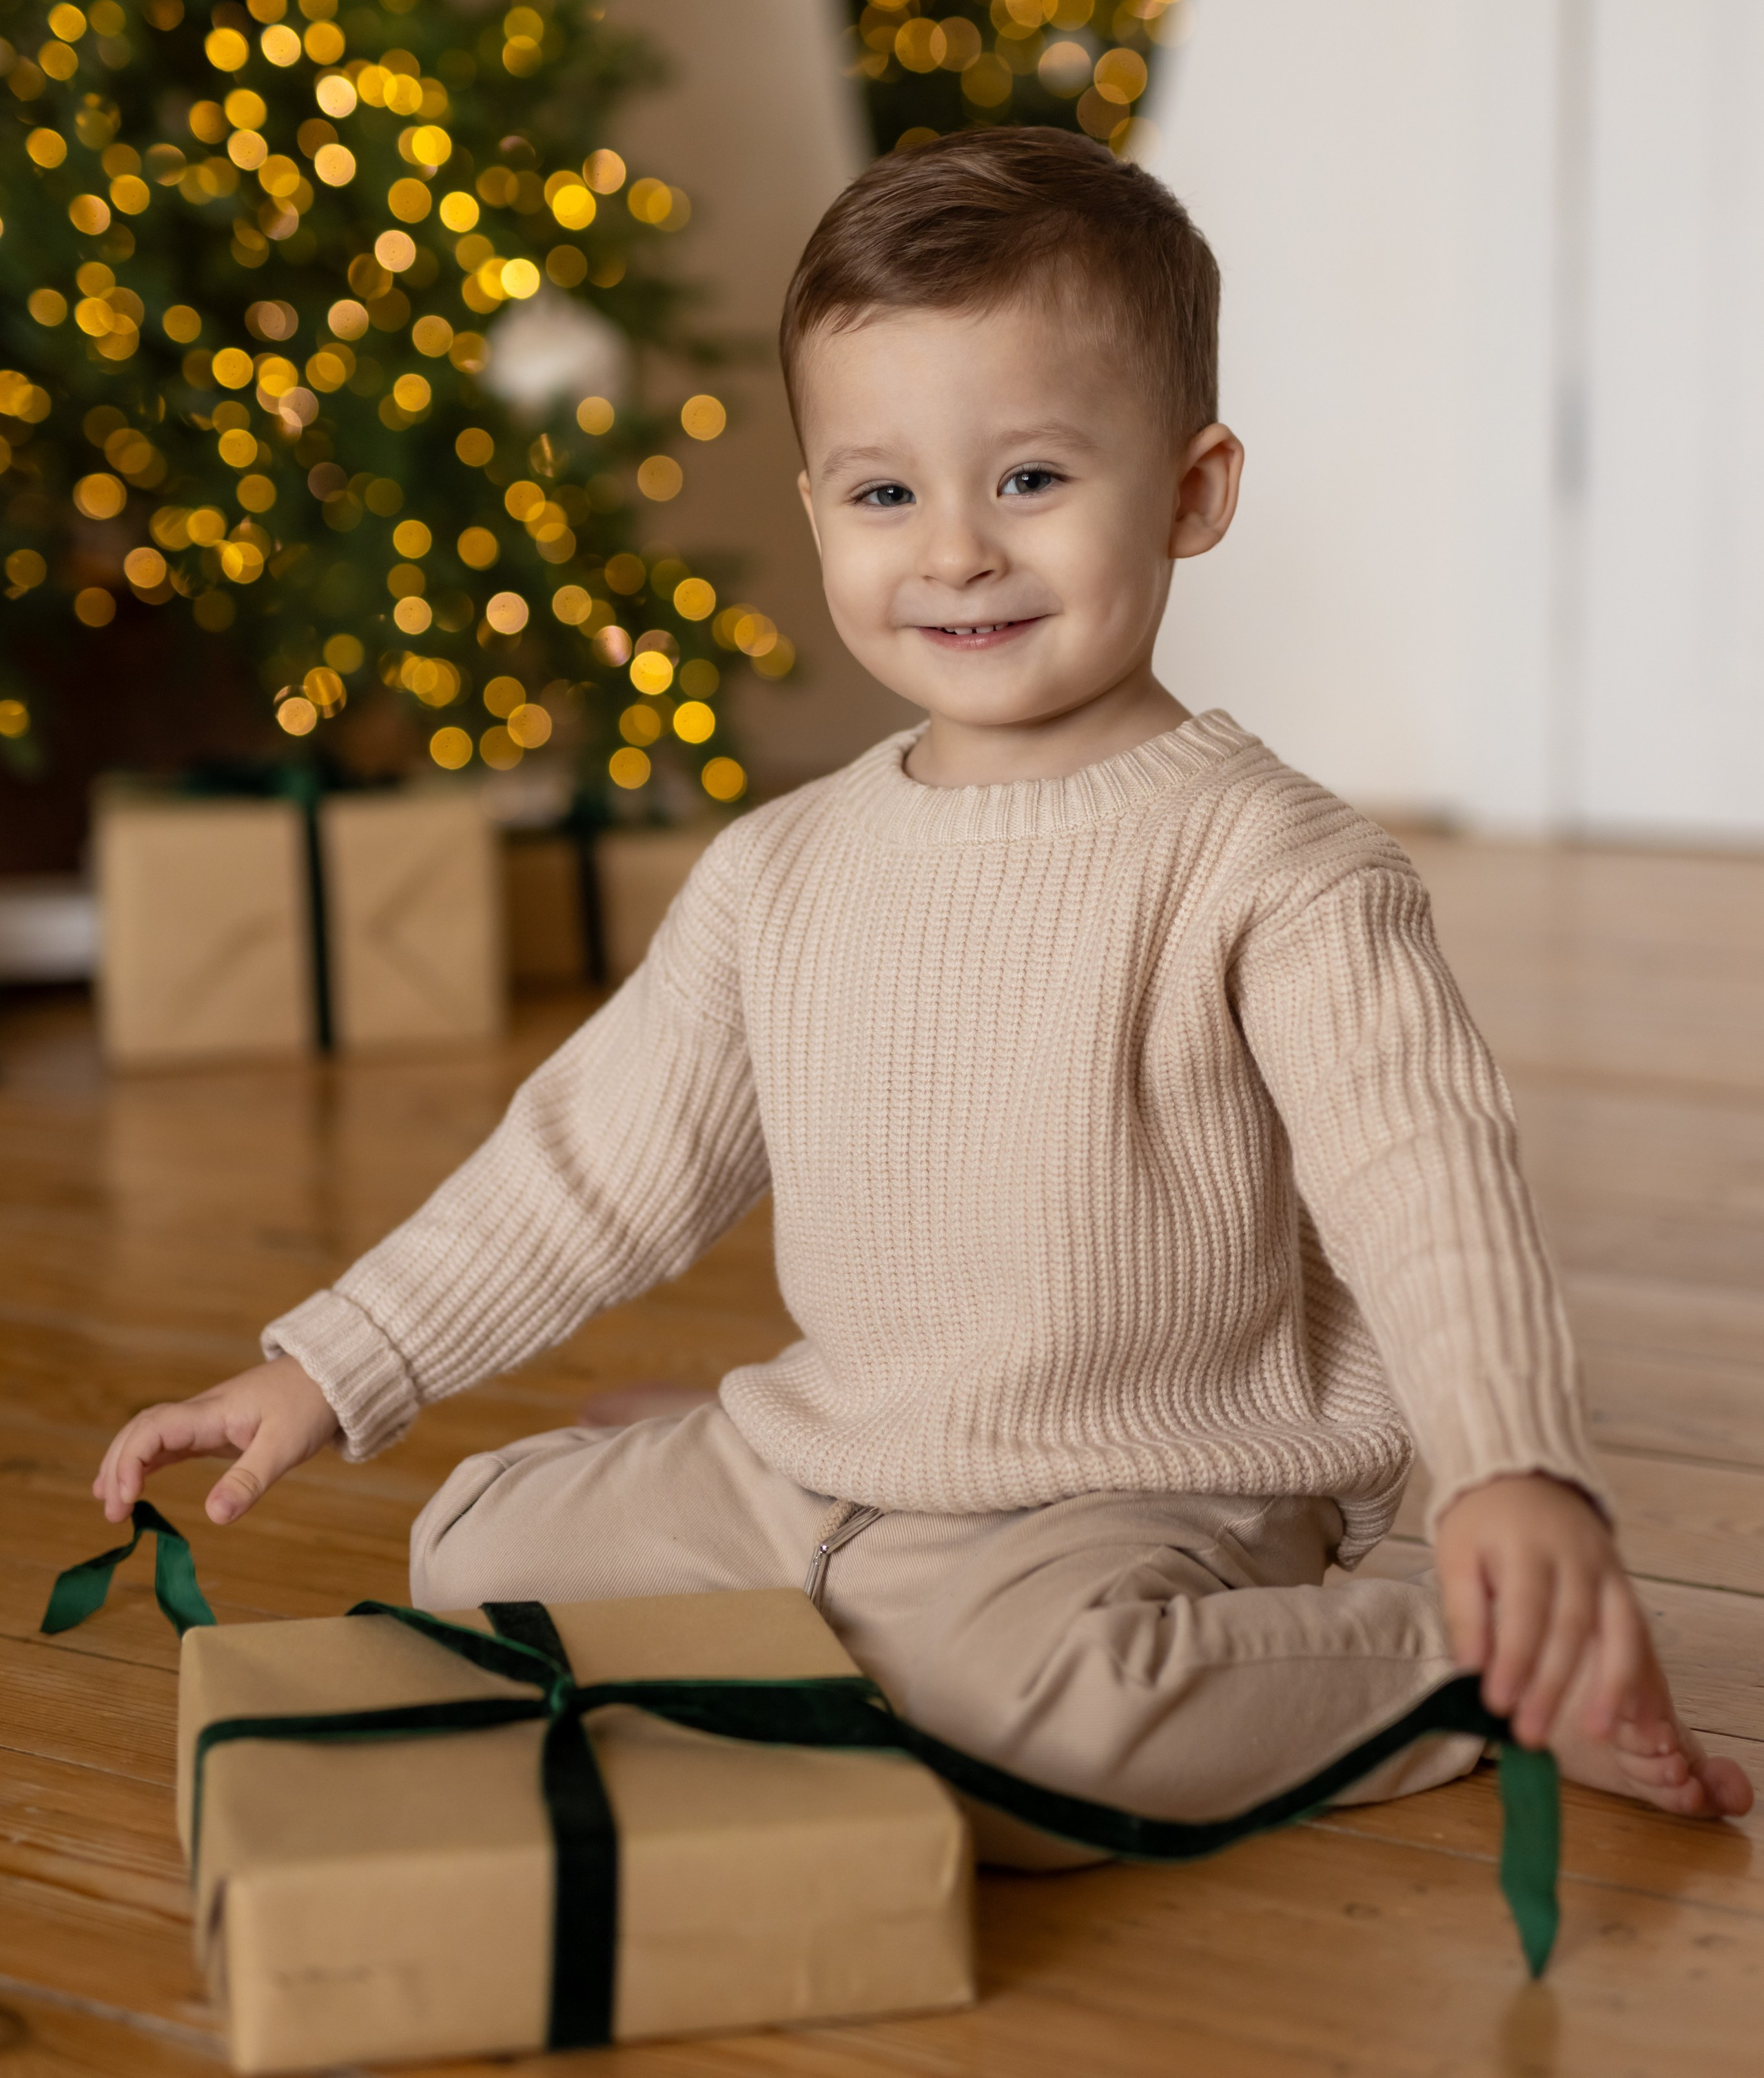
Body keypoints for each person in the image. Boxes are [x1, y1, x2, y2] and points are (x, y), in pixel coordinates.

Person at [94, 128, 1749, 1840]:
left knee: (1046, 1722)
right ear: (818, 509)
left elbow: (1429, 1190)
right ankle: (828, 1529)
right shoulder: (780, 867)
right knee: (468, 1550)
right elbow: (590, 1165)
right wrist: (331, 1363)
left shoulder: (1276, 867)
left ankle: (1475, 1666)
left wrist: (1508, 1467)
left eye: (1028, 478)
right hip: (829, 1456)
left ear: (1189, 493)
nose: (953, 551)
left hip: (1141, 1490)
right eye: (885, 495)